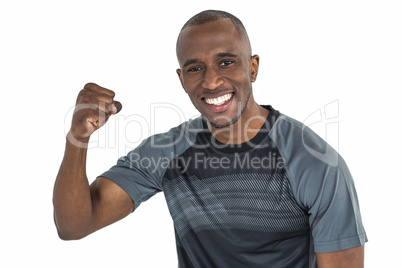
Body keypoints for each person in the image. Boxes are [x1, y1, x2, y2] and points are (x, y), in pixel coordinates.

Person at [53, 10, 367, 268]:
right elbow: (74, 226)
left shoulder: (312, 160)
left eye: (226, 62)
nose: (212, 80)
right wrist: (77, 139)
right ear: (181, 79)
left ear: (253, 68)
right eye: (195, 68)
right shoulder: (166, 152)